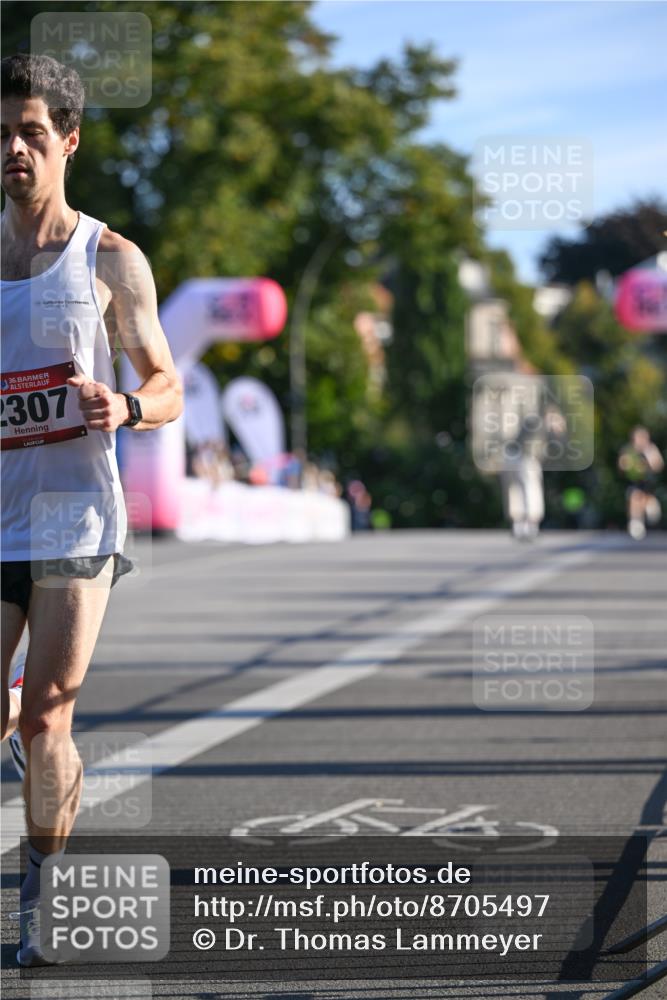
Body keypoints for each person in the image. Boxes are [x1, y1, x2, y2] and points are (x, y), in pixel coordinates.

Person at [1, 53, 183, 966]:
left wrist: (132, 406)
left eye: (31, 133)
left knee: (48, 719)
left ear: (67, 140)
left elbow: (167, 380)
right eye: (1, 135)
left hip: (75, 516)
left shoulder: (108, 258)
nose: (14, 150)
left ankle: (41, 893)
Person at [618, 426, 664, 539]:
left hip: (649, 483)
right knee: (635, 497)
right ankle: (636, 523)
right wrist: (625, 464)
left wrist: (649, 459)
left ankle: (651, 507)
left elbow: (659, 465)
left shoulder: (651, 449)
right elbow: (621, 464)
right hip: (635, 483)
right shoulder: (628, 450)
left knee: (647, 501)